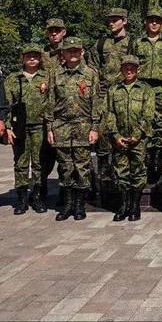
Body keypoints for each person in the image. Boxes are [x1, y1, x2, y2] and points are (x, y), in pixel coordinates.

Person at [45, 37, 102, 221]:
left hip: (83, 125)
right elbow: (50, 102)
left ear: (82, 51)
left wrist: (95, 127)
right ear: (63, 53)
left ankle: (79, 205)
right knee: (65, 166)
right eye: (69, 50)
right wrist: (49, 128)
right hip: (61, 125)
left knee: (82, 166)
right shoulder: (55, 73)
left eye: (76, 50)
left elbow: (96, 102)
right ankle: (68, 204)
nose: (73, 54)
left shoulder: (91, 74)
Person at [132, 8, 162, 183]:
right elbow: (130, 66)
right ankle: (144, 157)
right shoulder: (138, 42)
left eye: (158, 21)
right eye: (151, 20)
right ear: (146, 22)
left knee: (160, 124)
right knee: (142, 121)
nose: (154, 23)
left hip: (161, 88)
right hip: (142, 86)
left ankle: (156, 159)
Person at [105, 56, 155, 222]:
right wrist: (116, 135)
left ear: (137, 69)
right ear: (121, 69)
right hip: (119, 138)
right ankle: (123, 206)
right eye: (126, 67)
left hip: (138, 139)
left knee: (138, 171)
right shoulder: (114, 90)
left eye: (132, 67)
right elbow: (109, 113)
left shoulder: (146, 89)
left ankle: (135, 206)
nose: (129, 70)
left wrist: (137, 134)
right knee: (121, 173)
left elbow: (148, 114)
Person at [4, 44, 51, 214]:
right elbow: (6, 106)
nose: (32, 58)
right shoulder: (12, 79)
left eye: (35, 55)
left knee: (39, 162)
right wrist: (7, 127)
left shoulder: (46, 77)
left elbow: (52, 103)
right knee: (21, 163)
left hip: (40, 126)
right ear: (22, 58)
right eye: (28, 55)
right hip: (19, 128)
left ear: (40, 58)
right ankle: (22, 199)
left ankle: (37, 197)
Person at [88, 7, 131, 181]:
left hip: (123, 90)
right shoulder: (101, 42)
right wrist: (98, 80)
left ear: (125, 21)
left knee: (121, 125)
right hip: (104, 92)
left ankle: (121, 166)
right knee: (102, 127)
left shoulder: (132, 42)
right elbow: (91, 62)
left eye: (115, 19)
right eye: (109, 20)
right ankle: (104, 166)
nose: (111, 23)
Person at [41, 18, 66, 202]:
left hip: (66, 108)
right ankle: (41, 188)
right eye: (51, 31)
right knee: (46, 153)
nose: (54, 34)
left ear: (64, 32)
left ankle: (66, 191)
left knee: (65, 154)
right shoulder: (41, 54)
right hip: (46, 107)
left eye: (57, 30)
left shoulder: (74, 51)